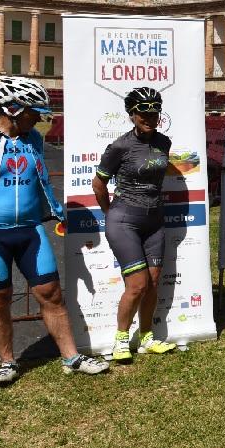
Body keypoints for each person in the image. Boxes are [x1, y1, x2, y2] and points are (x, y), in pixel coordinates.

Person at [0, 76, 109, 385]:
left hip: (30, 230)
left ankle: (71, 357)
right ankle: (7, 362)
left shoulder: (33, 138)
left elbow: (39, 179)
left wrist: (54, 208)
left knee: (52, 294)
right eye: (33, 111)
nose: (39, 117)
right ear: (11, 109)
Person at [91, 86, 178, 361]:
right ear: (132, 114)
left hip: (155, 221)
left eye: (154, 112)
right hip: (124, 220)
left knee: (152, 282)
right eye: (144, 113)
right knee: (138, 284)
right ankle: (120, 339)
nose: (150, 117)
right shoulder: (120, 146)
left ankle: (147, 337)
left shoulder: (164, 142)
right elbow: (98, 184)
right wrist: (110, 213)